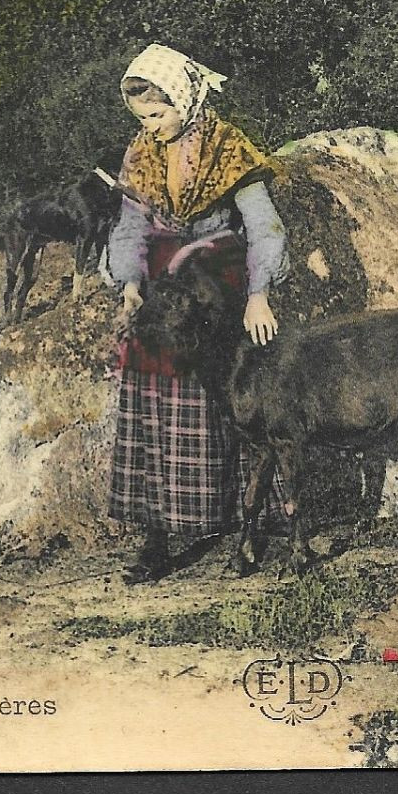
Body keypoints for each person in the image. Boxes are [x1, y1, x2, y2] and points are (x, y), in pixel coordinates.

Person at [108, 43, 289, 582]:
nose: (151, 125)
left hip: (216, 279)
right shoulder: (141, 152)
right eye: (142, 116)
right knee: (152, 395)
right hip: (164, 287)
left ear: (184, 100)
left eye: (158, 113)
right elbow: (130, 226)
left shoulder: (227, 146)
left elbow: (264, 226)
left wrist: (259, 293)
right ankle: (156, 532)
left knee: (230, 397)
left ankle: (251, 523)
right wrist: (131, 282)